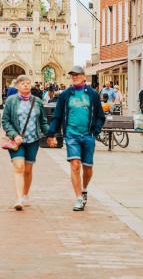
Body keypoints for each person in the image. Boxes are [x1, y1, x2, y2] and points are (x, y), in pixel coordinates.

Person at [48, 65, 105, 211]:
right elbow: (58, 115)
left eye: (77, 75)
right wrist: (51, 133)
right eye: (72, 75)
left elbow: (100, 115)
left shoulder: (92, 94)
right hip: (71, 135)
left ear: (84, 76)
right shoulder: (66, 94)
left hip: (88, 135)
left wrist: (95, 131)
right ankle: (78, 198)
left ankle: (84, 189)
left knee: (87, 168)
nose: (75, 77)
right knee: (75, 165)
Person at [2, 75, 49, 210]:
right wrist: (14, 135)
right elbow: (6, 121)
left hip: (33, 139)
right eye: (23, 83)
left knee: (28, 169)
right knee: (19, 167)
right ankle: (18, 199)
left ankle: (25, 194)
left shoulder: (37, 101)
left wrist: (50, 135)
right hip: (16, 141)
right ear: (17, 86)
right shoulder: (11, 101)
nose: (26, 85)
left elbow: (43, 121)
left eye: (28, 83)